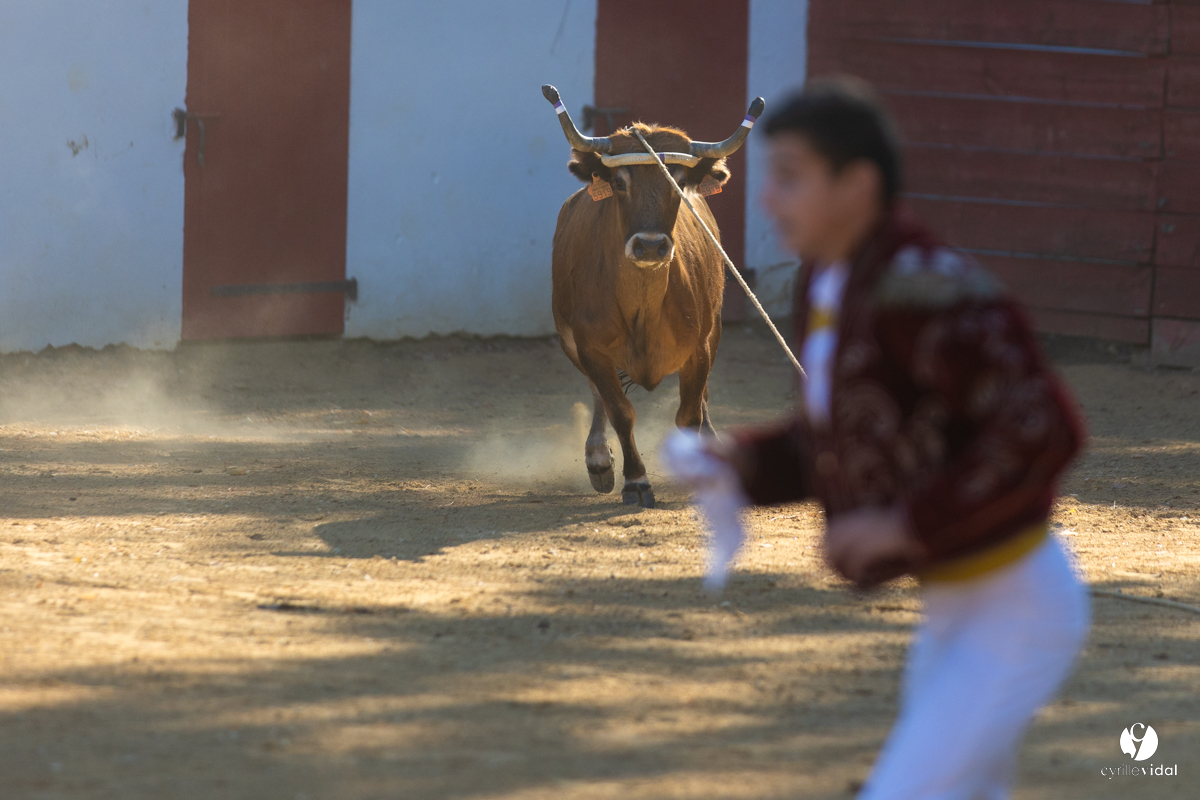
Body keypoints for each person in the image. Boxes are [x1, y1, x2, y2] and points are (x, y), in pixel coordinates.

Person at [663, 77, 1091, 800]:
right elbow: (845, 436)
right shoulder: (829, 285)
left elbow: (1043, 426)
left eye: (791, 178)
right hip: (954, 607)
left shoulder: (921, 287)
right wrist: (743, 464)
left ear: (856, 186)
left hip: (1016, 605)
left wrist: (905, 523)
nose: (768, 199)